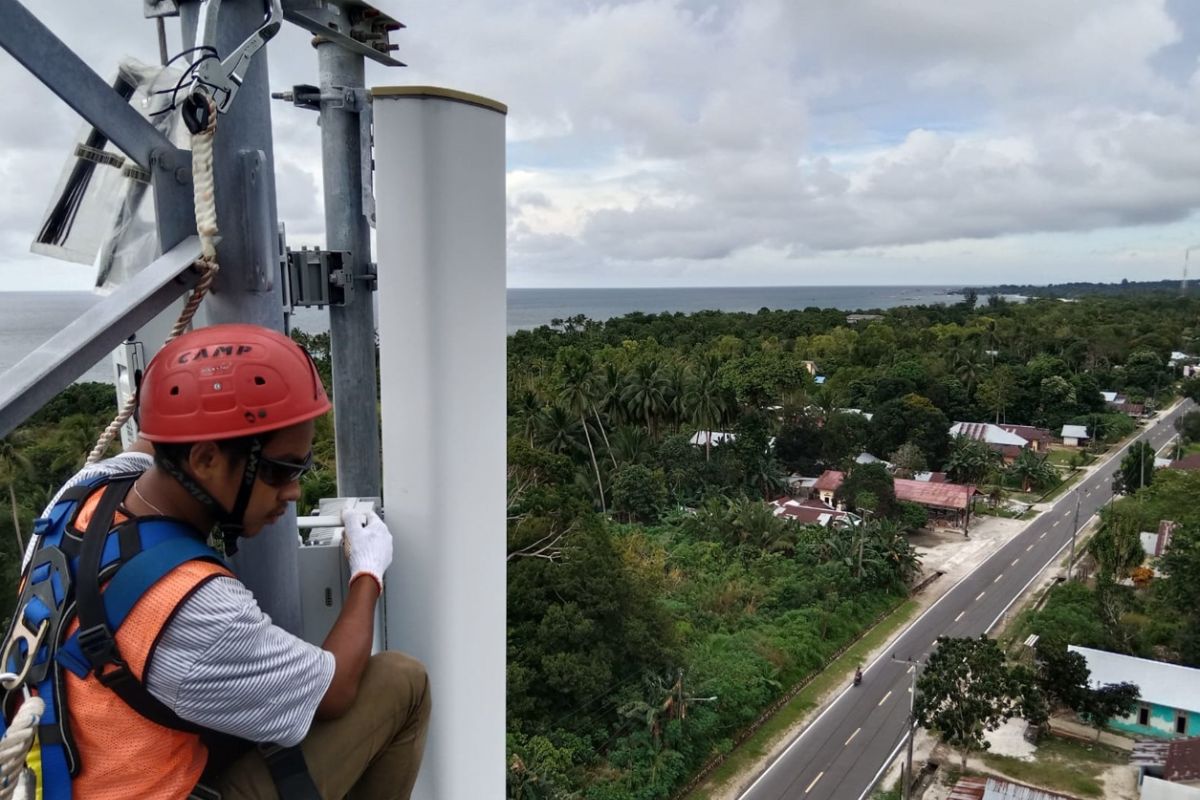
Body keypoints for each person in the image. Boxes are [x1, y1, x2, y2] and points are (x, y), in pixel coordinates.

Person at [11, 323, 430, 799]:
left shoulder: (81, 495)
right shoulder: (194, 606)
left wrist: (201, 381)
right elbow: (334, 693)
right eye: (279, 471)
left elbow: (154, 442)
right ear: (205, 460)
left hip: (68, 770)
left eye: (301, 468)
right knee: (402, 682)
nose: (293, 493)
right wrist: (368, 574)